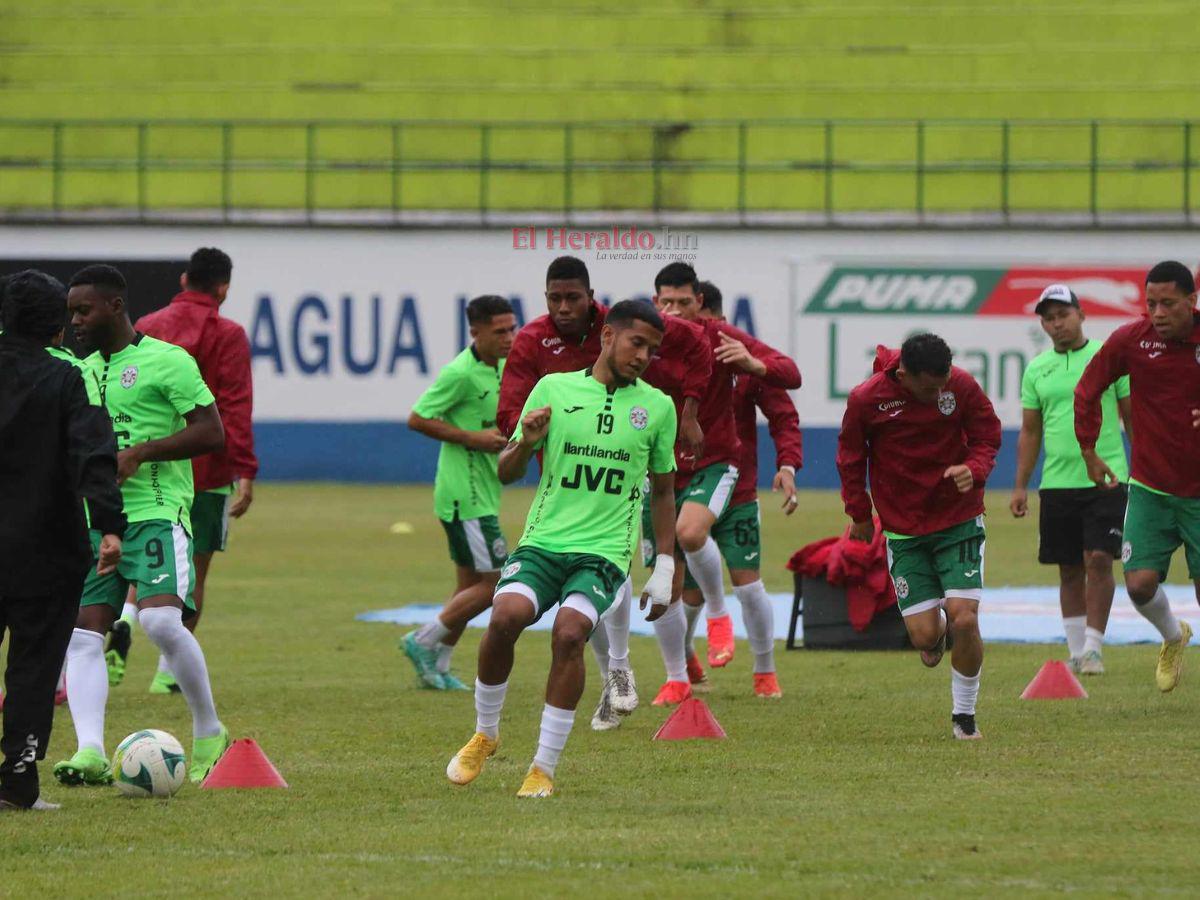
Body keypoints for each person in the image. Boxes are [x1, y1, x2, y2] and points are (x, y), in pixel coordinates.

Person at [445, 299, 678, 798]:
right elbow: (507, 472)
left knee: (569, 634)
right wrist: (526, 443)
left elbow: (662, 491)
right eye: (637, 343)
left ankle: (542, 768)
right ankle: (485, 733)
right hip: (544, 542)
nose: (643, 356)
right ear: (608, 336)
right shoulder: (553, 389)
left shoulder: (658, 407)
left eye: (652, 350)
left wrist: (664, 564)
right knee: (504, 617)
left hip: (604, 553)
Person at [496, 256, 711, 731]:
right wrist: (525, 434)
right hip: (562, 467)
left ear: (594, 302)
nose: (565, 307)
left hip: (619, 470)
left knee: (604, 564)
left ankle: (619, 667)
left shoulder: (624, 334)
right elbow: (512, 411)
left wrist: (690, 407)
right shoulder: (535, 344)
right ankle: (613, 670)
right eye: (556, 298)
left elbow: (693, 344)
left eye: (575, 297)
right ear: (545, 297)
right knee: (574, 593)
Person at [54, 264, 231, 787]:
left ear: (114, 305)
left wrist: (142, 452)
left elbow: (211, 431)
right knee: (84, 635)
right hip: (95, 521)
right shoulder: (77, 372)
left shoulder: (167, 361)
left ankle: (208, 730)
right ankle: (89, 751)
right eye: (70, 313)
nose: (76, 321)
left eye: (83, 310)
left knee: (158, 623)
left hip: (156, 510)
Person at [0, 271, 126, 811]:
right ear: (56, 324)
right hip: (45, 550)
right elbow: (92, 455)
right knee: (32, 666)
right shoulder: (66, 380)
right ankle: (17, 782)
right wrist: (110, 524)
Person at [650, 262, 801, 707]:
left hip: (734, 484)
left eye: (686, 303)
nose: (676, 312)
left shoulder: (729, 348)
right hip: (666, 480)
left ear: (705, 308)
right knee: (677, 588)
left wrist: (788, 464)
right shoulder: (650, 348)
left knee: (746, 583)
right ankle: (683, 668)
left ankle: (764, 672)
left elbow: (784, 405)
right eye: (667, 303)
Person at [838, 334, 1001, 740]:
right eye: (929, 389)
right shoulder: (866, 399)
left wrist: (974, 469)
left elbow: (987, 436)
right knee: (927, 639)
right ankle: (935, 629)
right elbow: (851, 458)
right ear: (903, 374)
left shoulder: (960, 385)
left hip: (958, 518)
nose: (938, 394)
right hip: (904, 530)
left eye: (942, 383)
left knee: (965, 616)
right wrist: (859, 513)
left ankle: (964, 717)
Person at [119, 247, 259, 694]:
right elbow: (234, 405)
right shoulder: (229, 333)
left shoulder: (147, 326)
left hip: (149, 468)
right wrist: (245, 469)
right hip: (205, 470)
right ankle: (167, 675)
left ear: (184, 280)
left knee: (141, 558)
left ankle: (122, 620)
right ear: (223, 288)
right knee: (192, 572)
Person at [1075, 260, 1200, 692]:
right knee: (1140, 584)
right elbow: (1088, 389)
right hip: (1151, 487)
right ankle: (1172, 636)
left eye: (1168, 303)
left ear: (1192, 301)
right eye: (1151, 303)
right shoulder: (1132, 340)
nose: (1158, 313)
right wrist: (1089, 450)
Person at [1011, 284, 1131, 675]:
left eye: (1063, 314)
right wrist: (1020, 485)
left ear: (1081, 314)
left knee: (1098, 558)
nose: (1056, 323)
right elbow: (1030, 432)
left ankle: (1094, 648)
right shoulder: (1037, 369)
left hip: (1107, 477)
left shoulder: (1107, 357)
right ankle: (1077, 652)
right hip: (1057, 482)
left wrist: (1144, 470)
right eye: (1048, 317)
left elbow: (1133, 418)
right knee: (1068, 567)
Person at [402, 295, 517, 690]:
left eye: (511, 328)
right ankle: (422, 640)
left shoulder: (503, 367)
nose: (508, 337)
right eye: (499, 331)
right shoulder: (460, 373)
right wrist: (473, 437)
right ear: (476, 332)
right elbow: (418, 418)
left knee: (467, 588)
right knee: (495, 582)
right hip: (464, 496)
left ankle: (438, 665)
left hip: (483, 492)